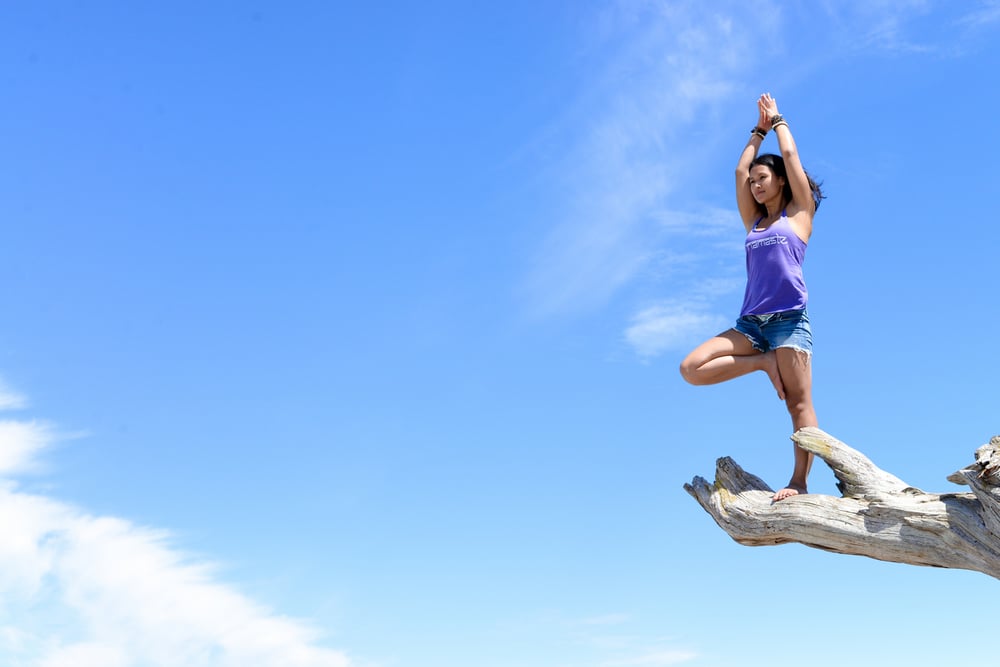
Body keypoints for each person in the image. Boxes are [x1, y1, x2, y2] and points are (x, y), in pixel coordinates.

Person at [679, 93, 824, 502]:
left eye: (763, 179)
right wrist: (756, 132)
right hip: (751, 325)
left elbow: (792, 156)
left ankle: (798, 482)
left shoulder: (800, 216)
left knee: (798, 406)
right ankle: (762, 364)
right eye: (754, 182)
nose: (756, 185)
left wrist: (778, 122)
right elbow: (739, 168)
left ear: (779, 180)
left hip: (789, 321)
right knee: (691, 367)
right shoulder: (754, 222)